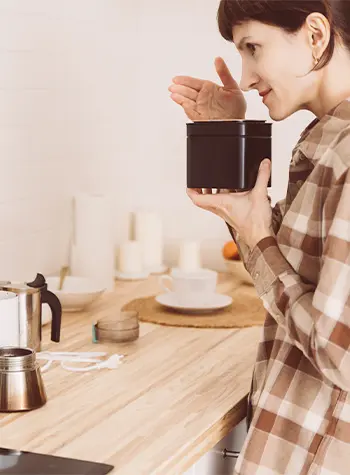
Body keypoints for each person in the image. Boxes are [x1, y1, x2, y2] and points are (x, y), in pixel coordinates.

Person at [168, 1, 350, 474]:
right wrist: (229, 133)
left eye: (254, 47)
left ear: (315, 35)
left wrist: (259, 239)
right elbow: (275, 249)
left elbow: (341, 356)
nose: (246, 77)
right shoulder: (328, 140)